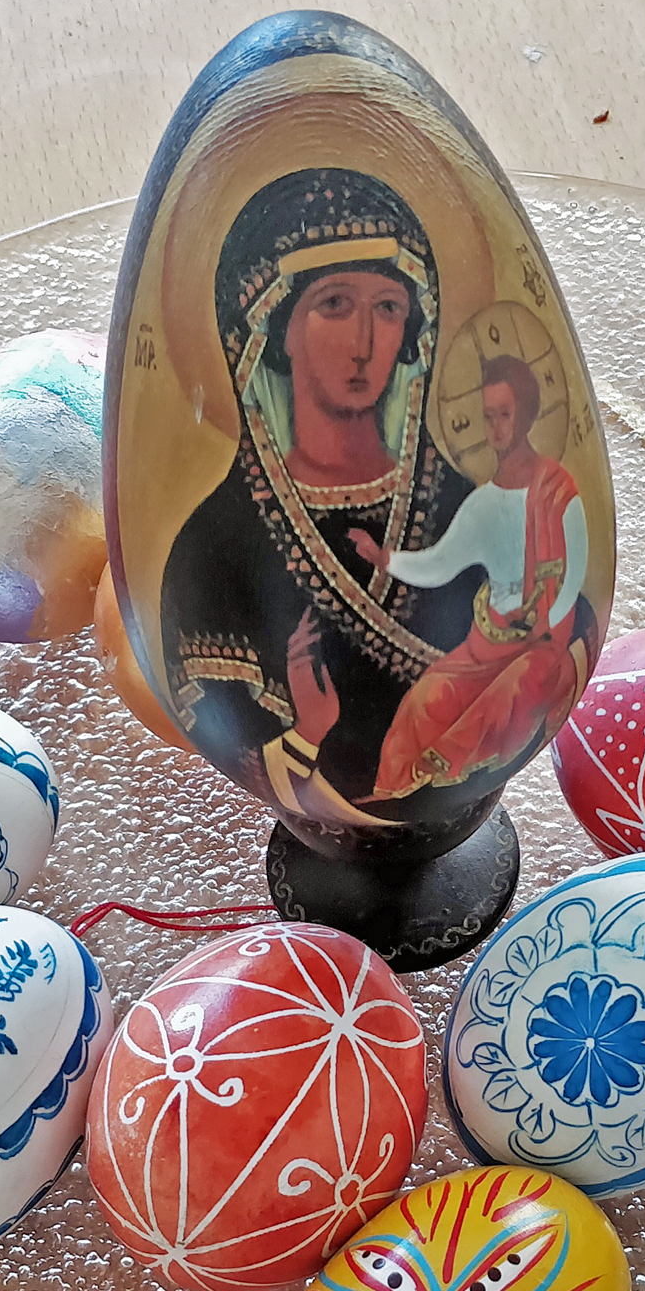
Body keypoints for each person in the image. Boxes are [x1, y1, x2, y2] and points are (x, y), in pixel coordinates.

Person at [159, 170, 480, 847]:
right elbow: (218, 719)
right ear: (277, 328)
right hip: (320, 837)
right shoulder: (215, 546)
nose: (365, 342)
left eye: (388, 307)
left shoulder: (469, 508)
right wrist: (307, 734)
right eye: (334, 304)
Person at [351, 355, 592, 801]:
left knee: (513, 689)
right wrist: (384, 559)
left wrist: (548, 622)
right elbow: (440, 564)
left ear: (526, 415)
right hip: (487, 641)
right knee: (425, 698)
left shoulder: (557, 490)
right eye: (488, 416)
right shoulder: (482, 505)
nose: (496, 428)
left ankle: (437, 777)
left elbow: (576, 568)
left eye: (505, 414)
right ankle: (390, 794)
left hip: (541, 642)